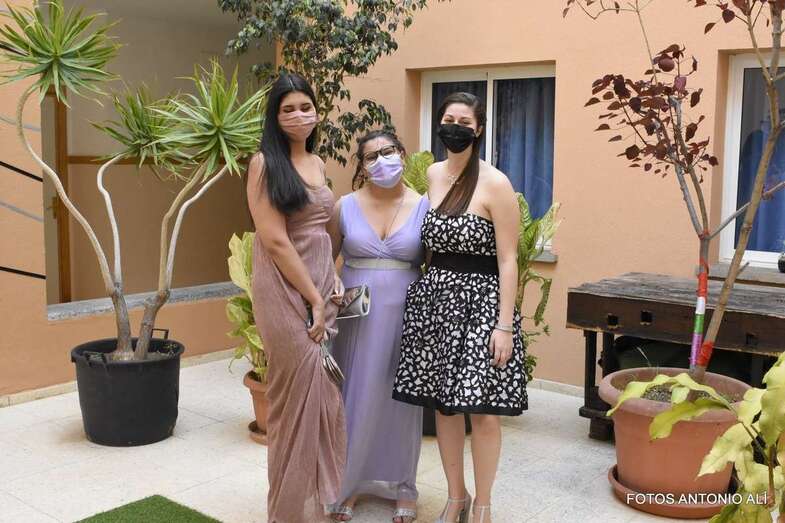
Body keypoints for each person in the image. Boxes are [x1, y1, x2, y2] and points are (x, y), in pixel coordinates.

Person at [392, 92, 528, 523]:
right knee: (444, 407)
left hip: (482, 306)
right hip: (436, 304)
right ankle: (456, 497)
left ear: (479, 129)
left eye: (464, 122)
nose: (455, 127)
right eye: (448, 119)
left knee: (483, 410)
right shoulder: (432, 175)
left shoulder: (495, 183)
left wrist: (504, 326)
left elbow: (509, 259)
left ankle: (483, 504)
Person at [246, 72, 346, 523]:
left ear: (317, 113)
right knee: (293, 400)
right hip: (284, 289)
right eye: (288, 109)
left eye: (306, 107)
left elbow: (320, 232)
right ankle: (287, 512)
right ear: (275, 116)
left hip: (319, 285)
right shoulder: (264, 164)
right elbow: (275, 240)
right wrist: (313, 299)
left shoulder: (319, 162)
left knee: (323, 396)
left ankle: (320, 502)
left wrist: (332, 279)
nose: (299, 115)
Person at [326, 131, 429, 523]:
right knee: (353, 395)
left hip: (406, 314)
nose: (381, 160)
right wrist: (329, 286)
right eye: (371, 156)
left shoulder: (425, 206)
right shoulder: (344, 206)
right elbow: (325, 259)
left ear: (402, 154)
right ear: (362, 165)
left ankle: (403, 485)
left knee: (400, 402)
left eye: (388, 152)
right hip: (355, 316)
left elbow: (434, 264)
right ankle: (348, 483)